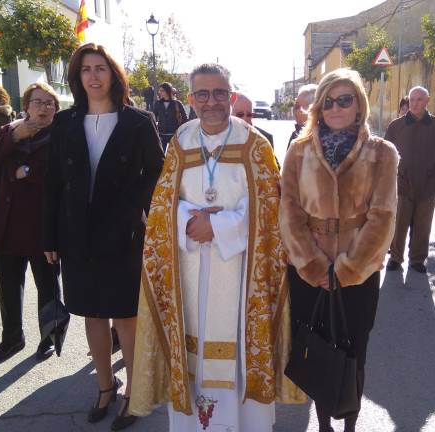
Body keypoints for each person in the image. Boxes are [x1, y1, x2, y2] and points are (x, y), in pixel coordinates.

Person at [129, 63, 303, 431]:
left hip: (240, 272)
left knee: (239, 353)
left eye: (220, 93)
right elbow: (162, 202)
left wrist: (218, 226)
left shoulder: (254, 144)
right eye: (203, 94)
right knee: (193, 354)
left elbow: (269, 208)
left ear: (232, 97)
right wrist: (190, 222)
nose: (212, 102)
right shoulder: (180, 140)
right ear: (191, 99)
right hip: (189, 269)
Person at [43, 43, 164, 430]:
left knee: (125, 317)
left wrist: (131, 209)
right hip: (76, 233)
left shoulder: (138, 122)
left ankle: (133, 392)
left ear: (113, 74)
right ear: (77, 78)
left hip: (123, 234)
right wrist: (50, 236)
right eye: (85, 70)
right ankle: (105, 386)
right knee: (93, 314)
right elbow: (52, 183)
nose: (93, 76)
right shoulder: (64, 122)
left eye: (100, 68)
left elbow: (156, 175)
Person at [279, 68, 398, 432]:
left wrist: (346, 269)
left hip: (358, 273)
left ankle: (350, 423)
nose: (335, 107)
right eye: (328, 101)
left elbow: (382, 218)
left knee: (353, 350)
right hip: (307, 270)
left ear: (359, 105)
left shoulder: (382, 153)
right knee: (315, 344)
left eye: (344, 99)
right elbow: (290, 211)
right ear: (318, 106)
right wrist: (314, 265)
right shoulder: (299, 150)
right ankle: (324, 424)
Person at [0, 83, 61, 363]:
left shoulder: (62, 137)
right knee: (8, 282)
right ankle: (12, 338)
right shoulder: (9, 131)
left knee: (47, 284)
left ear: (56, 110)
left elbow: (61, 176)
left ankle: (50, 335)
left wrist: (27, 172)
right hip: (7, 224)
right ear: (26, 106)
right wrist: (16, 137)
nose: (44, 107)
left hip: (42, 225)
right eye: (38, 102)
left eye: (50, 103)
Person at [385, 86, 435, 274]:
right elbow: (386, 154)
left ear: (427, 101)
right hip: (403, 184)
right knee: (399, 223)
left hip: (428, 184)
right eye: (412, 99)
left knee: (423, 225)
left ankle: (417, 259)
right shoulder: (396, 126)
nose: (415, 103)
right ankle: (396, 257)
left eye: (419, 99)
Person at [152, 82, 188, 152]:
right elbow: (153, 118)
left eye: (162, 90)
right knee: (161, 157)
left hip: (174, 135)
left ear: (167, 91)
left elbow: (185, 118)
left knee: (174, 157)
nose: (160, 92)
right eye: (160, 91)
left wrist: (181, 131)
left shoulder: (177, 103)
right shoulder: (158, 103)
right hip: (161, 135)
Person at [287, 84, 317, 149]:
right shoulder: (295, 134)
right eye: (296, 106)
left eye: (297, 106)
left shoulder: (321, 137)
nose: (294, 110)